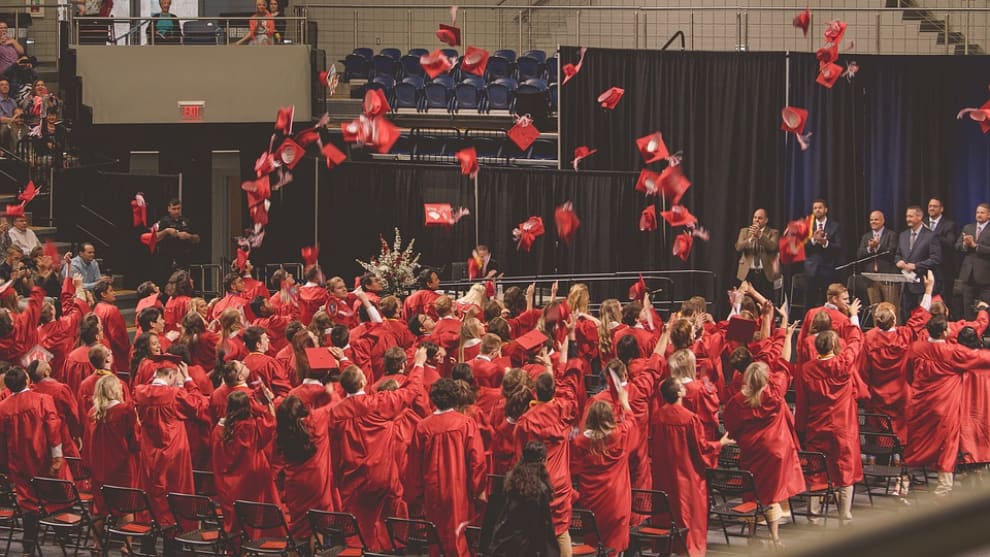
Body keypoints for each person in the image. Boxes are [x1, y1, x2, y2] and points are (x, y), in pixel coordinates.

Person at [327, 348, 427, 551]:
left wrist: (338, 478)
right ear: (364, 382)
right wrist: (418, 364)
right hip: (382, 473)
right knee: (389, 520)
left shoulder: (336, 413)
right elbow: (411, 391)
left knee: (358, 523)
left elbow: (334, 450)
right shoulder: (378, 403)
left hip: (351, 475)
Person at [722, 352, 804, 547]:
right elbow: (784, 369)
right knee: (772, 494)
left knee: (751, 490)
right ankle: (775, 536)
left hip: (751, 450)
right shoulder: (775, 396)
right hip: (775, 450)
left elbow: (730, 425)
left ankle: (751, 533)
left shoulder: (737, 401)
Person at [903, 317, 990, 496]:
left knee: (915, 446)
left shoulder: (916, 348)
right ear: (944, 332)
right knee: (947, 448)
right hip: (944, 406)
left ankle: (901, 486)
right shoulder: (950, 352)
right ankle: (942, 492)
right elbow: (978, 357)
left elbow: (908, 374)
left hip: (920, 405)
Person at [795, 301, 864, 525]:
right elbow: (855, 342)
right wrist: (853, 318)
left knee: (816, 468)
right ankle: (845, 515)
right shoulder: (843, 364)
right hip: (842, 425)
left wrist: (800, 427)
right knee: (844, 467)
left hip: (817, 424)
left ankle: (813, 516)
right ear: (835, 346)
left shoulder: (806, 370)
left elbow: (802, 401)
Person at [651, 377, 732, 557]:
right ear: (678, 393)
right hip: (687, 475)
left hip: (664, 474)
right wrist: (720, 443)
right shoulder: (690, 418)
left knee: (668, 512)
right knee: (688, 515)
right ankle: (688, 551)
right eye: (681, 385)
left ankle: (668, 549)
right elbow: (700, 448)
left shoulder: (657, 416)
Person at [407, 377, 488, 557]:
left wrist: (416, 495)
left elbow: (414, 466)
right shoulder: (465, 423)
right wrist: (478, 488)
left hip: (432, 491)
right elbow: (477, 460)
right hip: (459, 490)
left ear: (433, 399)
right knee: (459, 538)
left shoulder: (422, 427)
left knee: (436, 539)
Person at [0, 366, 70, 556]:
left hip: (19, 461)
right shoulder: (42, 400)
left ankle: (28, 546)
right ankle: (63, 535)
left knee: (28, 502)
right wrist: (57, 456)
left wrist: (4, 466)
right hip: (43, 459)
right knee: (56, 494)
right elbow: (53, 429)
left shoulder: (3, 408)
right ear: (28, 379)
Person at [133, 362, 209, 528]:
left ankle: (148, 541)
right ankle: (173, 544)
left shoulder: (139, 392)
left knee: (151, 492)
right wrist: (188, 380)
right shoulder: (175, 394)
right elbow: (201, 405)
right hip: (174, 450)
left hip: (149, 451)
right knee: (176, 493)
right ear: (171, 375)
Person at [570, 393, 637, 555]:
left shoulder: (579, 443)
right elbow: (632, 423)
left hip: (591, 500)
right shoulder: (620, 435)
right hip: (616, 500)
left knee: (593, 546)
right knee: (614, 547)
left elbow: (573, 469)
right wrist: (624, 402)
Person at [211, 389, 281, 536]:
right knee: (250, 522)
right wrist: (267, 403)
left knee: (234, 523)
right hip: (249, 482)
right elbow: (272, 422)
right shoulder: (251, 427)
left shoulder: (218, 430)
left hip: (226, 485)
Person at [274, 394, 340, 543]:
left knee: (299, 526)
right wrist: (330, 391)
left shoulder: (281, 430)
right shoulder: (315, 421)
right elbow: (335, 403)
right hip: (317, 481)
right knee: (318, 526)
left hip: (294, 484)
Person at [485, 441, 559, 557]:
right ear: (544, 461)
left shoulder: (510, 483)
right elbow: (543, 529)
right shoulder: (540, 490)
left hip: (502, 545)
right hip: (523, 549)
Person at [83, 374, 139, 522]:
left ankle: (98, 544)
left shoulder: (92, 413)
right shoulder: (126, 410)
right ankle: (125, 545)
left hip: (99, 468)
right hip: (123, 468)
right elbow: (135, 441)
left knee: (100, 508)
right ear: (115, 390)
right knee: (125, 507)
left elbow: (87, 443)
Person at [895, 205, 941, 320]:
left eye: (911, 216)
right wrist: (898, 261)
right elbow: (898, 254)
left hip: (922, 285)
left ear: (920, 217)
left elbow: (936, 259)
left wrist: (916, 266)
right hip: (906, 285)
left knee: (922, 318)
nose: (908, 219)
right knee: (907, 317)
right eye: (907, 216)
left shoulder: (931, 236)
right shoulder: (903, 235)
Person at [803, 199, 842, 311]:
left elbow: (839, 247)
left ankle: (827, 325)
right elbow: (801, 246)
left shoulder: (835, 226)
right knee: (809, 300)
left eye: (820, 207)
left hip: (828, 269)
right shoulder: (807, 226)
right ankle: (808, 324)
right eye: (815, 208)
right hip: (811, 269)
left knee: (827, 302)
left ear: (826, 210)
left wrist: (826, 243)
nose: (817, 210)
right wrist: (813, 240)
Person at [735, 208, 780, 301]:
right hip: (748, 273)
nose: (756, 220)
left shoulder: (773, 233)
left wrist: (760, 235)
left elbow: (772, 247)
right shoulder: (744, 231)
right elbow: (738, 247)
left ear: (766, 220)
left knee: (764, 302)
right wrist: (750, 239)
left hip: (765, 273)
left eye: (760, 218)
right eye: (755, 217)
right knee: (746, 303)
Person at [854, 210, 898, 306]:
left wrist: (878, 247)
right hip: (871, 279)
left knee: (891, 308)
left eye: (876, 219)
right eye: (871, 220)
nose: (873, 222)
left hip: (887, 278)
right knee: (875, 309)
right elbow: (859, 255)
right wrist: (870, 248)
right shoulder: (866, 237)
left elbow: (892, 253)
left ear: (883, 221)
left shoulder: (891, 235)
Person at [956, 203, 990, 321]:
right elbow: (957, 246)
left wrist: (976, 246)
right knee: (968, 307)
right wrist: (965, 244)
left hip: (986, 277)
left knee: (985, 308)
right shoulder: (968, 228)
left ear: (989, 215)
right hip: (968, 275)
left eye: (982, 212)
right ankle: (970, 333)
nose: (979, 215)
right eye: (977, 212)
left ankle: (984, 335)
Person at [93, 278, 132, 377]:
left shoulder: (97, 307)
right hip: (115, 354)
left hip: (102, 350)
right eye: (111, 291)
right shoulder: (112, 310)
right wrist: (127, 350)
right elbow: (118, 337)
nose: (114, 293)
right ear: (103, 294)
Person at [155, 198, 200, 274]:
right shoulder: (163, 221)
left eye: (178, 209)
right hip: (166, 259)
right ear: (169, 208)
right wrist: (166, 231)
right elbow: (155, 238)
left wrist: (189, 236)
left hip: (183, 259)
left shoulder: (185, 221)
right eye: (174, 209)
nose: (176, 211)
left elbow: (198, 238)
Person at [925, 197, 957, 299]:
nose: (932, 208)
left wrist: (932, 234)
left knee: (942, 300)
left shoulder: (949, 224)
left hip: (942, 271)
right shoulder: (922, 222)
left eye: (935, 206)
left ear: (941, 209)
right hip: (925, 268)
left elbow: (950, 243)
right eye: (930, 206)